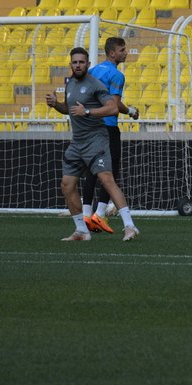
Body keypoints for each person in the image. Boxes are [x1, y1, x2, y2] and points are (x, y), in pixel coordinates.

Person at [45, 47, 139, 242]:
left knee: (106, 180)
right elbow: (69, 110)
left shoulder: (95, 85)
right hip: (77, 143)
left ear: (88, 64)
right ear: (70, 64)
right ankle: (81, 230)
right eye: (75, 62)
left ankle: (130, 226)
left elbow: (113, 108)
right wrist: (56, 104)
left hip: (97, 140)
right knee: (67, 184)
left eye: (81, 62)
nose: (78, 65)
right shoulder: (70, 84)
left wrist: (87, 111)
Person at [80, 37, 140, 235]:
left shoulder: (93, 71)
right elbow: (114, 106)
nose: (126, 52)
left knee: (92, 170)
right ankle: (99, 214)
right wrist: (131, 111)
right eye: (122, 50)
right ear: (112, 53)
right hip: (107, 128)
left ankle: (87, 215)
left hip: (91, 127)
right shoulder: (116, 75)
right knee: (110, 172)